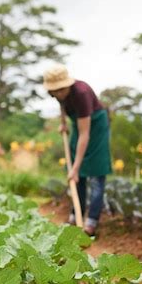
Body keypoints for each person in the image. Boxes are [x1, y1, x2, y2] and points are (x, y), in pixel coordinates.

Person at [43, 64, 112, 236]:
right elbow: (62, 105)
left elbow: (84, 134)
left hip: (94, 126)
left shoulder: (81, 93)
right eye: (55, 91)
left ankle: (91, 221)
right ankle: (76, 213)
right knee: (78, 177)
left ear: (67, 84)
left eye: (61, 90)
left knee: (95, 173)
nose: (58, 94)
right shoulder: (58, 94)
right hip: (79, 126)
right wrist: (64, 123)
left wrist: (74, 168)